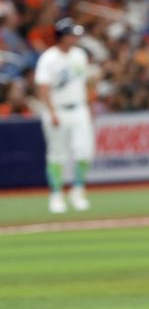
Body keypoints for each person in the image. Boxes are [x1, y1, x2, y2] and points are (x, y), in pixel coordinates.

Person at [34, 17, 94, 213]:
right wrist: (51, 112)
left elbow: (84, 83)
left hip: (79, 108)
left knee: (84, 151)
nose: (75, 38)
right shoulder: (49, 58)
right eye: (71, 34)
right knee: (56, 154)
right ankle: (56, 194)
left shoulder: (79, 55)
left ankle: (78, 191)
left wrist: (89, 106)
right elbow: (43, 88)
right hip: (57, 109)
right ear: (62, 36)